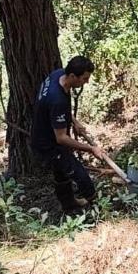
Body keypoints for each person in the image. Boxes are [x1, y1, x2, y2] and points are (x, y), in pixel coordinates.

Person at [29, 55, 105, 215]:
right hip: (48, 144)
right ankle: (100, 209)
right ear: (72, 76)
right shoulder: (57, 100)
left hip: (46, 132)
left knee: (61, 173)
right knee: (79, 174)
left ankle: (69, 204)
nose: (86, 82)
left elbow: (58, 110)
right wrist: (91, 148)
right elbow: (61, 138)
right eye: (84, 79)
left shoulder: (58, 75)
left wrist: (74, 121)